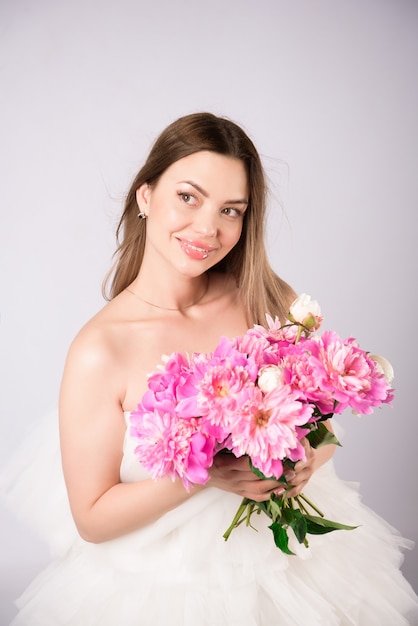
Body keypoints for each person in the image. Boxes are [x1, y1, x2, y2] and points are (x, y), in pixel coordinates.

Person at [2, 112, 418, 625]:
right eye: (187, 197)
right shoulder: (100, 348)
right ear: (145, 196)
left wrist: (309, 461)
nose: (207, 228)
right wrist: (209, 475)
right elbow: (92, 518)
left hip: (294, 569)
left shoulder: (265, 300)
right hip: (168, 586)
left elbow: (324, 428)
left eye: (230, 210)